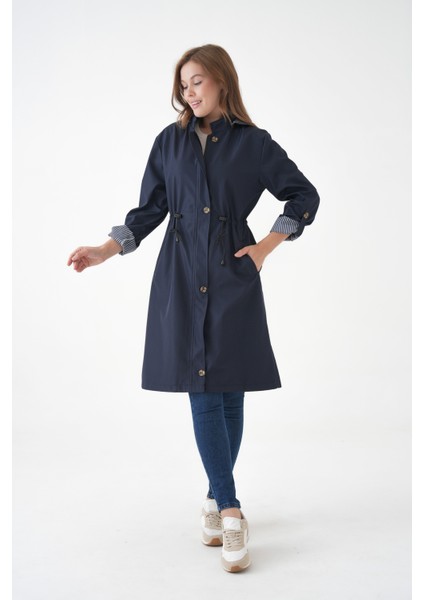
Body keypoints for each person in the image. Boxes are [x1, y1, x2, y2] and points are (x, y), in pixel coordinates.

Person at [67, 44, 320, 573]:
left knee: (230, 388)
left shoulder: (254, 144)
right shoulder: (170, 141)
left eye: (197, 81)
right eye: (183, 85)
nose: (189, 92)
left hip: (232, 274)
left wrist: (266, 247)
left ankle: (213, 496)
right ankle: (230, 509)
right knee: (201, 386)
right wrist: (104, 250)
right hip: (181, 275)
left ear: (222, 80)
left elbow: (303, 196)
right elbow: (149, 210)